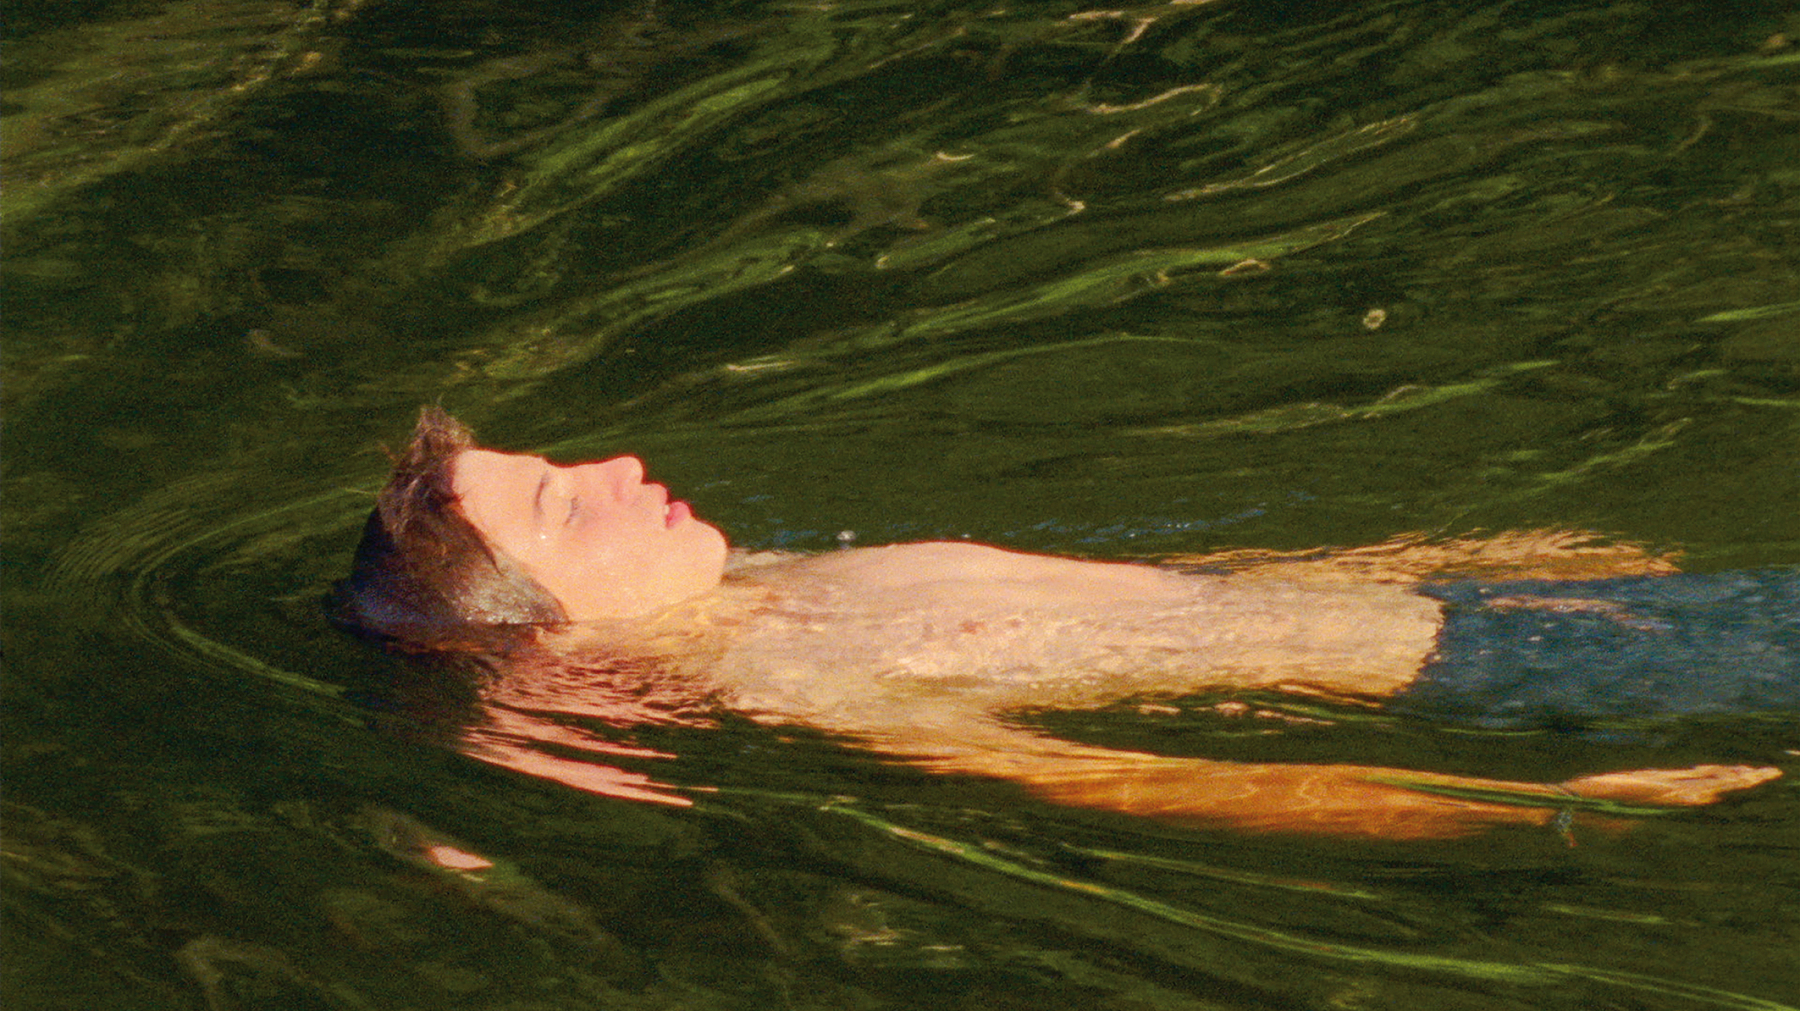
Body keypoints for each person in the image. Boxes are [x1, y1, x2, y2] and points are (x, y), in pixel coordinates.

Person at [332, 407, 1792, 840]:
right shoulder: (809, 682)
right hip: (1510, 679)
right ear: (556, 636)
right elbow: (1147, 782)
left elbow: (1176, 597)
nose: (617, 466)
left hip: (1498, 617)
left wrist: (1452, 563)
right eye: (566, 504)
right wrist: (1548, 806)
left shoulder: (765, 583)